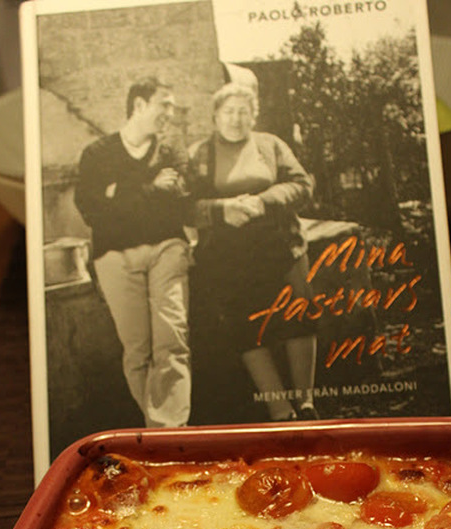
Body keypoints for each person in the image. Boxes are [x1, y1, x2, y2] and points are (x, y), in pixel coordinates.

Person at [189, 81, 319, 422]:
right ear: (215, 116)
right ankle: (280, 410)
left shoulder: (271, 145)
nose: (235, 119)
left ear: (254, 115)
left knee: (297, 318)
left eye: (243, 112)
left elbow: (303, 186)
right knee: (246, 328)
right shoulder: (199, 155)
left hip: (281, 247)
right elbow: (184, 207)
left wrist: (264, 201)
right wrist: (222, 209)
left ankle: (306, 404)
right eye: (228, 112)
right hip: (229, 258)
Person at [75, 77, 191, 428]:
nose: (170, 114)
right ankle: (157, 430)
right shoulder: (97, 154)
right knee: (138, 349)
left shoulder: (170, 151)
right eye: (164, 105)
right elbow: (92, 210)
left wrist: (118, 195)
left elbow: (183, 203)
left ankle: (172, 433)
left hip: (166, 250)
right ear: (139, 105)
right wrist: (150, 188)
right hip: (115, 257)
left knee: (171, 339)